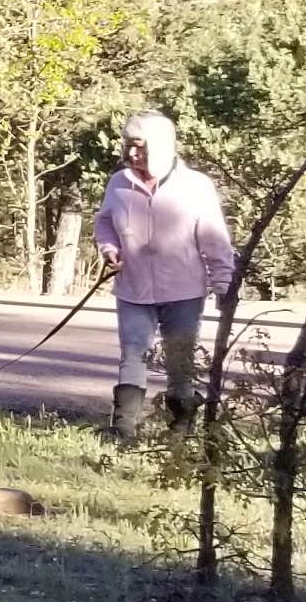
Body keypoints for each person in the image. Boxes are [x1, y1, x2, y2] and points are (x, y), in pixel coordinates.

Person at [92, 111, 236, 436]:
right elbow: (104, 223)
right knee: (133, 353)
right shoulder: (118, 183)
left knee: (179, 361)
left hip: (183, 290)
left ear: (160, 147)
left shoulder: (196, 186)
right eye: (129, 145)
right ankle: (123, 430)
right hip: (133, 288)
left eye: (140, 147)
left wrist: (223, 284)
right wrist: (109, 249)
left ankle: (181, 427)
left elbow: (215, 239)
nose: (132, 153)